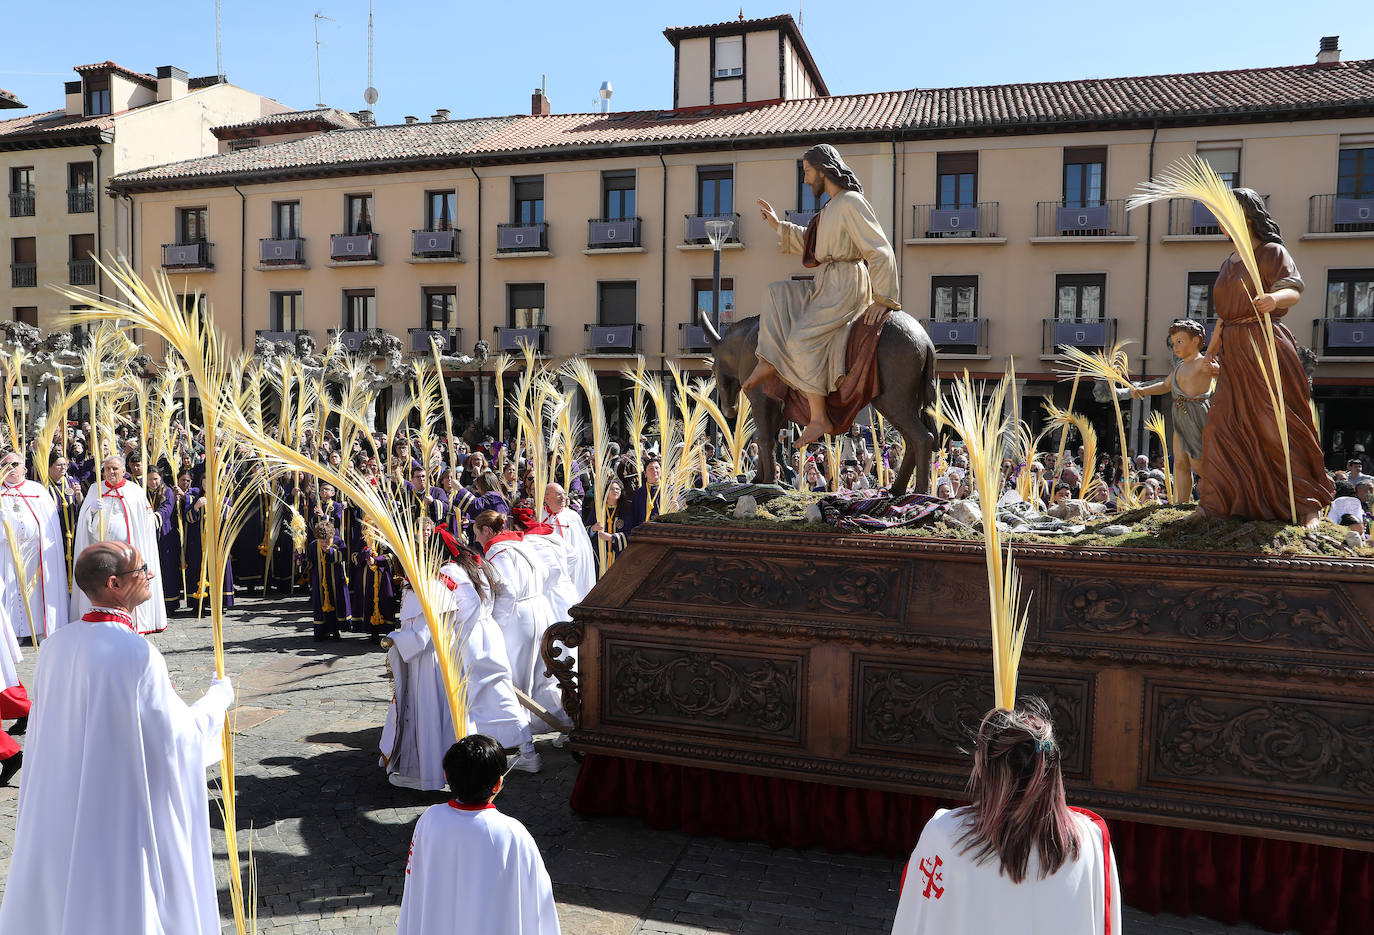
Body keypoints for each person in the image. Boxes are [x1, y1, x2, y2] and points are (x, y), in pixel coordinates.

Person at [0, 541, 233, 934]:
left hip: (63, 806)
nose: (150, 575)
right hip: (120, 813)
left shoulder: (56, 646)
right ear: (114, 583)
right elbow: (178, 741)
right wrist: (217, 701)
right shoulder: (137, 653)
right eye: (141, 570)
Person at [890, 700, 1120, 935]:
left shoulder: (945, 836)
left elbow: (915, 920)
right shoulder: (1091, 840)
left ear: (983, 768)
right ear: (1052, 771)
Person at [745, 143, 901, 447]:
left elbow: (879, 248)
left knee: (801, 341)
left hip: (845, 285)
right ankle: (769, 358)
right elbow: (816, 244)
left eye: (807, 172)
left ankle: (819, 418)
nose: (805, 180)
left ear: (823, 170)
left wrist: (883, 299)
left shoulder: (851, 202)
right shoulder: (831, 207)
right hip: (826, 281)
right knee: (776, 292)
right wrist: (780, 227)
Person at [1199, 189, 1334, 525]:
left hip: (1265, 347)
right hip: (1234, 352)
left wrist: (1275, 299)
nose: (1219, 222)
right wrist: (1209, 353)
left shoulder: (1272, 252)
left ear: (1246, 216)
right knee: (1220, 428)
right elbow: (1223, 316)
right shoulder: (1229, 262)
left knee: (1275, 425)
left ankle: (1305, 506)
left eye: (1223, 214)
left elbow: (1294, 287)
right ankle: (1216, 505)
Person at [381, 524, 538, 788]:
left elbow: (467, 608)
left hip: (470, 639)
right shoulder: (475, 564)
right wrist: (495, 622)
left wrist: (455, 634)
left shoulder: (447, 572)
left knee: (474, 703)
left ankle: (489, 759)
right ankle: (515, 752)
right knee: (496, 696)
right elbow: (502, 594)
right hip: (488, 633)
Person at [395, 734, 560, 935]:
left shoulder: (429, 820)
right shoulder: (513, 834)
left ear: (446, 777)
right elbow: (537, 898)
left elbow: (416, 882)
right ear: (498, 783)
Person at [70, 455, 168, 634]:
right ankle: (103, 619)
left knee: (126, 587)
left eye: (115, 468)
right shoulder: (95, 489)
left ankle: (131, 620)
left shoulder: (134, 491)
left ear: (124, 470)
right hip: (102, 553)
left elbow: (144, 523)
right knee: (105, 588)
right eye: (107, 469)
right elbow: (84, 524)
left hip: (126, 555)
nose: (111, 472)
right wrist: (91, 512)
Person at [1131, 319, 1216, 502]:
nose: (1175, 347)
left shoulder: (1204, 363)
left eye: (1180, 341)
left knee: (1198, 462)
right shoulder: (1179, 366)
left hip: (1197, 414)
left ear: (1195, 341)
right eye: (1173, 342)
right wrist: (1143, 390)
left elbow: (1228, 373)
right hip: (1179, 415)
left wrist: (1217, 369)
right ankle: (1181, 503)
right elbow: (1165, 385)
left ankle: (1220, 498)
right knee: (1179, 462)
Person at [0, 450, 68, 640]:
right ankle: (14, 632)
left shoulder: (37, 491)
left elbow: (50, 526)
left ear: (24, 467)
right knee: (11, 590)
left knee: (37, 591)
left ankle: (38, 629)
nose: (10, 469)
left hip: (35, 552)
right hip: (6, 552)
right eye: (5, 465)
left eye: (14, 464)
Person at [542, 482, 596, 602]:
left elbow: (583, 548)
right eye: (558, 494)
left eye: (564, 494)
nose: (563, 498)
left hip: (571, 569)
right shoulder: (539, 516)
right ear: (547, 498)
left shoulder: (572, 517)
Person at [303, 520, 351, 641]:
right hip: (319, 581)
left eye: (326, 540)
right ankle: (320, 631)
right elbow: (310, 562)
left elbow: (344, 556)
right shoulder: (313, 545)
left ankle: (335, 631)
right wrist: (301, 562)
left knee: (336, 604)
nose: (324, 543)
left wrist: (331, 551)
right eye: (321, 540)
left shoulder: (338, 541)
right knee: (320, 605)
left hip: (336, 580)